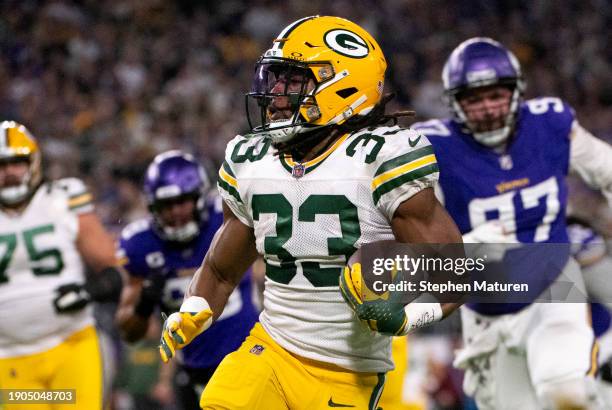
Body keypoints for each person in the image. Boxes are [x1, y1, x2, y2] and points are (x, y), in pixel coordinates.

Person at [158, 15, 463, 410]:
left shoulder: (381, 158)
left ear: (344, 84)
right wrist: (195, 307)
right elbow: (220, 269)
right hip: (272, 348)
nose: (276, 93)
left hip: (348, 369)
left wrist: (409, 317)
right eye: (276, 78)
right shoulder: (251, 160)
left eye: (294, 80)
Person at [411, 37, 612, 409]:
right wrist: (464, 246)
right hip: (485, 308)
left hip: (553, 285)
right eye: (474, 98)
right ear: (455, 102)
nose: (487, 108)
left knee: (565, 393)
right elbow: (416, 237)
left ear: (517, 91)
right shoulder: (433, 147)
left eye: (496, 95)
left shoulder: (549, 123)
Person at [115, 150, 259, 410]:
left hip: (247, 354)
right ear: (152, 206)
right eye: (166, 205)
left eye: (182, 202)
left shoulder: (225, 218)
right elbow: (128, 331)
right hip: (193, 369)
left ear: (200, 196)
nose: (176, 212)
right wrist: (145, 302)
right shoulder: (140, 244)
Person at [0, 121, 123, 410]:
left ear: (33, 162)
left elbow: (112, 271)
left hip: (71, 347)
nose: (8, 173)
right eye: (1, 165)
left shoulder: (63, 197)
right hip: (9, 360)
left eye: (16, 163)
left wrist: (87, 291)